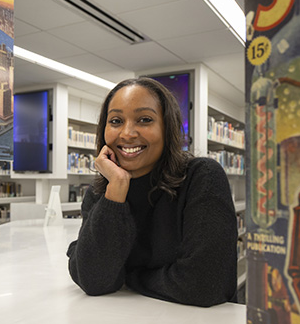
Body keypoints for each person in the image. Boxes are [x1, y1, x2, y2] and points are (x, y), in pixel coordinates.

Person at [67, 77, 237, 307]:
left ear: (167, 128)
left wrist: (129, 276)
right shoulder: (102, 192)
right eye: (116, 120)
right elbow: (93, 280)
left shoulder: (202, 177)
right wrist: (116, 189)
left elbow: (205, 285)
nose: (127, 133)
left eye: (144, 120)